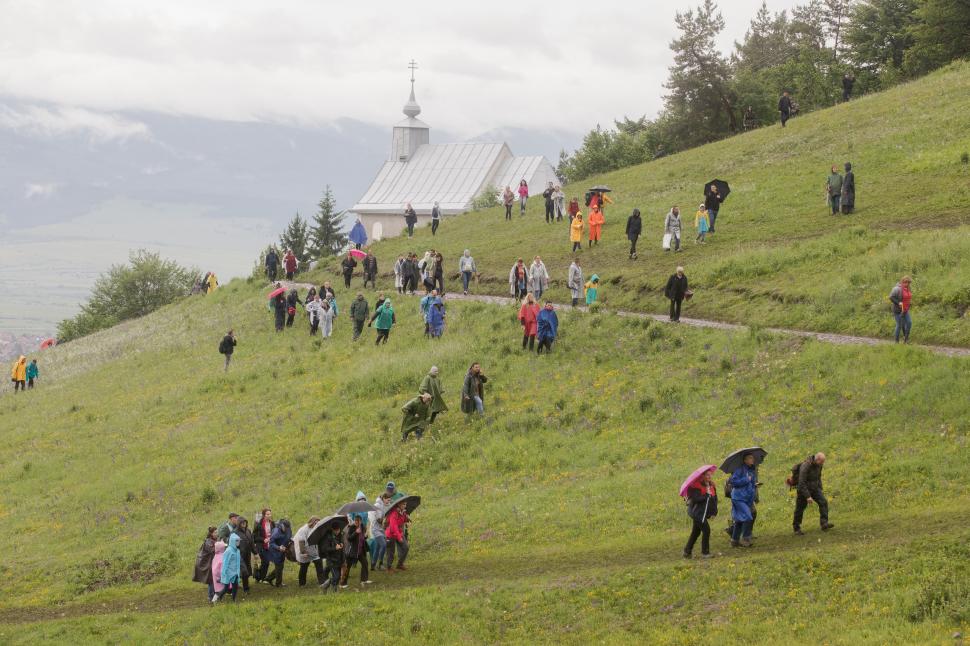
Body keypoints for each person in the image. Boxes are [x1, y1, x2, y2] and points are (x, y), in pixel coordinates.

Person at [793, 453, 834, 534]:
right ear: (817, 459)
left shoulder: (819, 465)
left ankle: (824, 523)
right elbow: (801, 483)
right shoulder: (805, 466)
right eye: (822, 462)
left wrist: (820, 488)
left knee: (823, 502)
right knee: (800, 509)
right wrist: (808, 496)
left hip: (815, 488)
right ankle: (796, 528)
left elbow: (818, 477)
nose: (822, 464)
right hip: (803, 490)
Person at [683, 468, 718, 559]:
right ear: (702, 476)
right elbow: (695, 499)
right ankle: (705, 553)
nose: (709, 476)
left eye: (710, 474)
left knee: (696, 532)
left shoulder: (712, 485)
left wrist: (714, 512)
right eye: (707, 475)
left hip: (703, 513)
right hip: (697, 513)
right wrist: (706, 494)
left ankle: (687, 551)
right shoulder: (695, 486)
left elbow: (714, 499)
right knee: (706, 530)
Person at [729, 453, 758, 547]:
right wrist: (746, 480)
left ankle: (734, 541)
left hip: (746, 498)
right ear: (745, 460)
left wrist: (754, 485)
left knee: (739, 520)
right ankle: (746, 539)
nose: (752, 459)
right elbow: (733, 482)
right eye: (750, 458)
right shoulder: (739, 470)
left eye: (752, 458)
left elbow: (751, 484)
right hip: (738, 497)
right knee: (748, 517)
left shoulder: (751, 470)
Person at [341, 514, 372, 587]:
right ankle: (343, 583)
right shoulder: (351, 527)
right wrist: (356, 532)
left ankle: (364, 579)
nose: (356, 522)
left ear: (361, 521)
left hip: (360, 551)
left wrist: (365, 536)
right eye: (355, 520)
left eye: (358, 521)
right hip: (352, 551)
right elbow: (349, 538)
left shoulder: (362, 527)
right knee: (348, 567)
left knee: (365, 563)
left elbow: (363, 538)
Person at [294, 516, 324, 587]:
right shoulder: (303, 529)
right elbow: (301, 541)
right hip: (304, 549)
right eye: (315, 523)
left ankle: (322, 582)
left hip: (313, 549)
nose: (316, 524)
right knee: (304, 567)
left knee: (319, 563)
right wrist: (303, 552)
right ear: (312, 522)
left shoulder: (317, 529)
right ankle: (302, 584)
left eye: (318, 523)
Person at [318, 519, 344, 592]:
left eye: (338, 530)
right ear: (332, 529)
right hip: (331, 560)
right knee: (336, 576)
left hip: (339, 559)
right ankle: (332, 589)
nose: (337, 531)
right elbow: (325, 549)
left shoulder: (340, 535)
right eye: (335, 530)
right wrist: (335, 548)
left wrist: (342, 544)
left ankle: (327, 586)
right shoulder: (327, 537)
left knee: (338, 577)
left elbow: (341, 542)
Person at [193, 526, 218, 601]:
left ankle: (214, 595)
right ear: (211, 533)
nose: (217, 533)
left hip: (212, 563)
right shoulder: (208, 541)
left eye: (217, 532)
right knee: (211, 580)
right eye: (215, 532)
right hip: (207, 564)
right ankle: (211, 597)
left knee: (213, 580)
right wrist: (221, 546)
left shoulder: (215, 540)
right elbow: (212, 550)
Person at [265, 518, 292, 587]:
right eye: (285, 528)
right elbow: (271, 543)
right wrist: (279, 547)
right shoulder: (276, 532)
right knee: (279, 565)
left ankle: (269, 578)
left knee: (280, 566)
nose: (286, 529)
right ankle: (278, 583)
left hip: (283, 549)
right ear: (282, 526)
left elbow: (289, 536)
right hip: (275, 551)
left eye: (287, 528)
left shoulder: (288, 529)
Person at [384, 501, 410, 571]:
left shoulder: (403, 512)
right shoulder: (393, 513)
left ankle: (400, 564)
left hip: (399, 533)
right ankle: (389, 568)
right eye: (403, 504)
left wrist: (407, 519)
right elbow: (393, 527)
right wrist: (399, 537)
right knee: (391, 552)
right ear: (399, 504)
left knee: (406, 547)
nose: (405, 506)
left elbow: (403, 521)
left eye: (405, 504)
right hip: (391, 534)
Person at [369, 493, 391, 570]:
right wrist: (384, 520)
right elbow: (379, 520)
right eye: (388, 500)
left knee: (378, 547)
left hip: (381, 529)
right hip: (375, 529)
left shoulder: (384, 506)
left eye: (389, 500)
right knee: (384, 545)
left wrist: (386, 521)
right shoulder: (378, 505)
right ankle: (380, 563)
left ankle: (373, 565)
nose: (389, 501)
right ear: (384, 498)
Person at [217, 533, 241, 602]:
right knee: (226, 588)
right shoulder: (228, 551)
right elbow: (225, 562)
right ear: (233, 541)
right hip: (228, 572)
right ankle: (219, 598)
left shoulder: (237, 551)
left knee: (235, 586)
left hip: (235, 573)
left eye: (239, 541)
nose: (238, 542)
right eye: (237, 541)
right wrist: (223, 572)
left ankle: (233, 599)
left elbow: (238, 562)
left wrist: (238, 572)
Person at [253, 508, 275, 583]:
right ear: (263, 515)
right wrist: (263, 539)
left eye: (270, 514)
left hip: (270, 545)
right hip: (261, 546)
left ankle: (259, 577)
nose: (269, 515)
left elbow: (274, 532)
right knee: (265, 562)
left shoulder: (272, 523)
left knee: (265, 562)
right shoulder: (259, 525)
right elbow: (254, 536)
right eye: (267, 514)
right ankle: (261, 578)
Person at [889, 276, 913, 343]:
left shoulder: (908, 288)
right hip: (897, 310)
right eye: (905, 282)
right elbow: (891, 297)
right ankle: (896, 341)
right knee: (899, 325)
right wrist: (898, 302)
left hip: (905, 309)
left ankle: (906, 339)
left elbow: (908, 297)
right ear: (902, 282)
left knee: (909, 323)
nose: (907, 284)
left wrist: (909, 303)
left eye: (908, 283)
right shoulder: (897, 288)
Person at [234, 517, 255, 593]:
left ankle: (246, 588)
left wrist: (255, 552)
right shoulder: (235, 533)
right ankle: (240, 588)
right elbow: (234, 545)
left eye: (245, 522)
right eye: (242, 522)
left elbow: (252, 543)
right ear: (239, 523)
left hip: (247, 555)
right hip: (239, 556)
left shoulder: (248, 531)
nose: (244, 524)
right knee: (243, 572)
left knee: (247, 572)